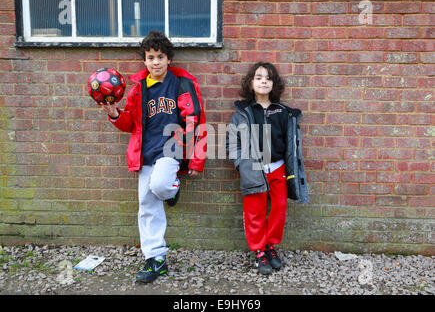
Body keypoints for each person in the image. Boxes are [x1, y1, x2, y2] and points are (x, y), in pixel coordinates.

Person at [99, 30, 207, 284]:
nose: (156, 62)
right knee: (146, 206)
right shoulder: (138, 89)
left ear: (169, 59)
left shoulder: (182, 84)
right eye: (150, 57)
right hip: (145, 153)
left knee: (160, 186)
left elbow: (195, 121)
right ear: (144, 61)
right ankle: (155, 258)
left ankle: (172, 187)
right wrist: (115, 113)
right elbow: (130, 124)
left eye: (160, 56)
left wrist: (195, 159)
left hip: (171, 150)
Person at [226, 62, 309, 275]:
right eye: (259, 77)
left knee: (279, 208)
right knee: (255, 211)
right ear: (251, 83)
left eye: (268, 78)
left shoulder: (283, 112)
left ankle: (270, 245)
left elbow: (291, 143)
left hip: (278, 169)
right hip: (253, 168)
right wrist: (241, 165)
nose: (264, 81)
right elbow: (231, 143)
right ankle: (259, 251)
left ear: (274, 84)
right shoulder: (243, 113)